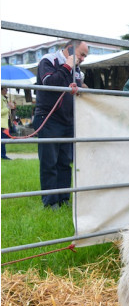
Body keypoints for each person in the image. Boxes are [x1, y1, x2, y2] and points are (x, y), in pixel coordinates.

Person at [33, 39, 88, 209]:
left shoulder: (77, 70)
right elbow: (49, 83)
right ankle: (50, 202)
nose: (83, 59)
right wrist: (67, 67)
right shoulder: (49, 61)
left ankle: (63, 198)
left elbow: (76, 90)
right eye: (82, 54)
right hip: (49, 118)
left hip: (67, 120)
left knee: (65, 161)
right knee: (50, 161)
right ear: (70, 50)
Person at [2, 87, 16, 160]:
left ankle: (3, 154)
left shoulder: (5, 98)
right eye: (5, 89)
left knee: (4, 139)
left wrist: (12, 107)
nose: (7, 90)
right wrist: (8, 107)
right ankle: (2, 155)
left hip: (6, 122)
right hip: (2, 123)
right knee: (2, 139)